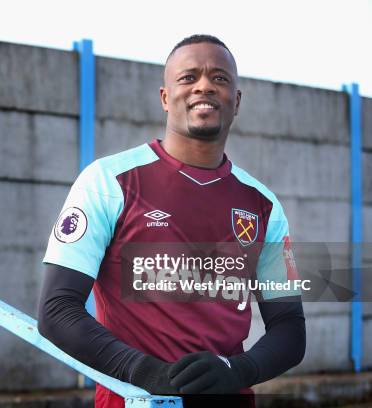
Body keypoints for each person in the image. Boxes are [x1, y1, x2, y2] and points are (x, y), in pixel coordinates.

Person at [38, 34, 306, 408]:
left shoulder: (263, 206)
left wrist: (237, 370)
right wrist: (146, 373)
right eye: (188, 77)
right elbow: (57, 310)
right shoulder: (107, 182)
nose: (204, 86)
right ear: (165, 97)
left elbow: (290, 327)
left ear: (237, 101)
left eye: (220, 78)